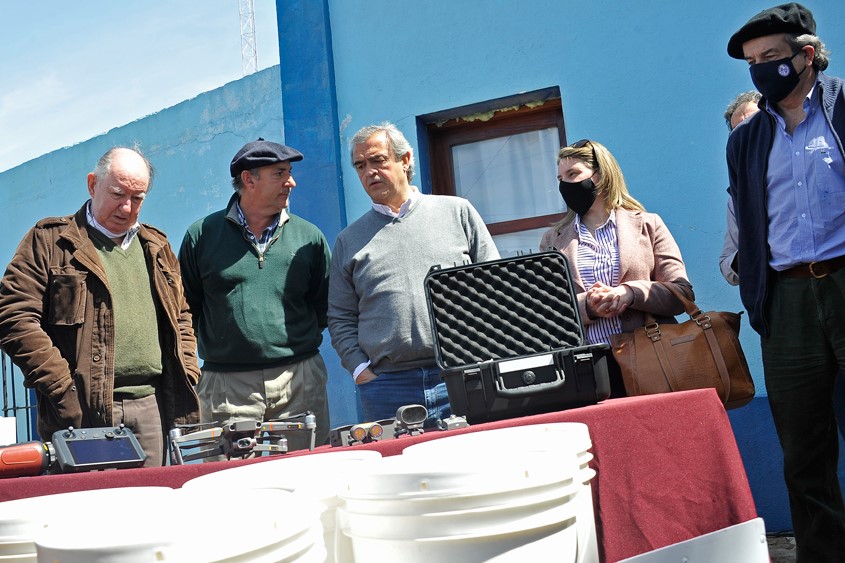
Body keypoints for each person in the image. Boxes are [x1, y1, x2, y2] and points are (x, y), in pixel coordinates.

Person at [726, 3, 845, 560]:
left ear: (808, 55)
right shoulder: (745, 141)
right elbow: (749, 224)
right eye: (751, 62)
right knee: (803, 453)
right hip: (787, 302)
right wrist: (756, 294)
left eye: (770, 57)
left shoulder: (843, 109)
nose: (759, 70)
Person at [0, 147, 200, 467]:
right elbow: (13, 314)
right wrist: (62, 389)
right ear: (93, 184)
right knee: (89, 507)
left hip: (152, 406)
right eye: (118, 193)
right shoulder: (51, 242)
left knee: (150, 505)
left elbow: (181, 316)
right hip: (82, 410)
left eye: (137, 198)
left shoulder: (156, 245)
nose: (126, 207)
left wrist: (188, 370)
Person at [328, 122, 499, 427]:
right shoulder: (348, 241)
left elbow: (494, 286)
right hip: (387, 388)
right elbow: (340, 317)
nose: (369, 172)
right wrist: (360, 371)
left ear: (405, 160)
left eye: (378, 160)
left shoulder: (457, 213)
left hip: (463, 375)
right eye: (360, 165)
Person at [179, 139, 332, 451]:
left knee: (308, 476)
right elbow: (186, 306)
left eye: (289, 172)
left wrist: (288, 346)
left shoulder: (309, 238)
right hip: (227, 387)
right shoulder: (201, 236)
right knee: (230, 485)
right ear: (248, 179)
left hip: (300, 380)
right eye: (279, 173)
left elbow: (324, 303)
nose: (291, 182)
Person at [540, 139, 694, 398]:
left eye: (573, 174)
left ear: (600, 175)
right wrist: (588, 305)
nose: (565, 184)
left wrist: (629, 293)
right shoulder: (552, 240)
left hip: (652, 359)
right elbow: (547, 311)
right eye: (560, 178)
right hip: (587, 369)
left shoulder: (648, 224)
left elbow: (682, 293)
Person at [720, 90, 762, 286]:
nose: (747, 135)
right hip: (780, 296)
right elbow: (728, 268)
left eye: (754, 123)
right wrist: (754, 249)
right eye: (738, 131)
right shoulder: (737, 198)